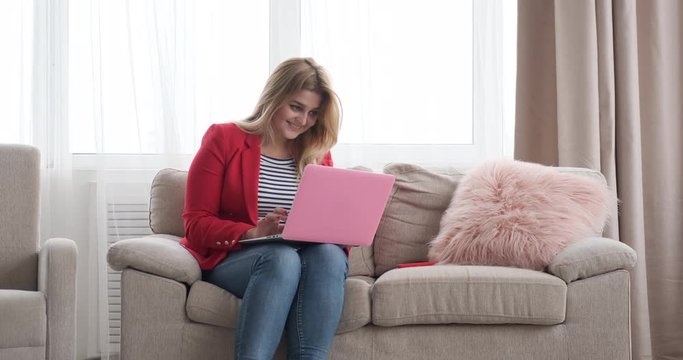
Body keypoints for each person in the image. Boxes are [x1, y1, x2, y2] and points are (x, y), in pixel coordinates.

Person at [180, 57, 347, 360]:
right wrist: (253, 231)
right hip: (239, 259)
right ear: (274, 98)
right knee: (281, 258)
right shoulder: (224, 138)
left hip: (303, 258)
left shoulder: (317, 153)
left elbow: (326, 224)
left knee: (330, 254)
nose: (303, 120)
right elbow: (195, 222)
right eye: (296, 107)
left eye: (313, 113)